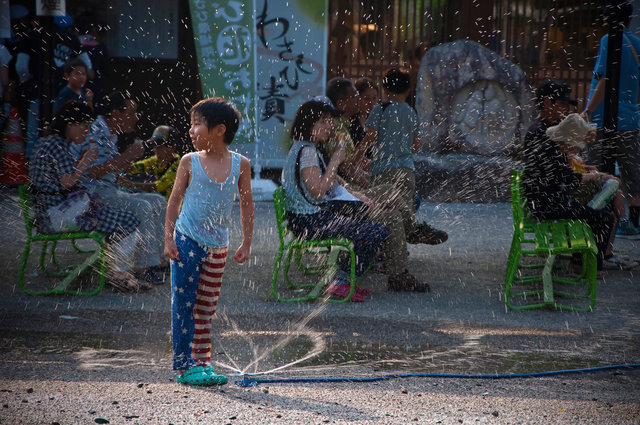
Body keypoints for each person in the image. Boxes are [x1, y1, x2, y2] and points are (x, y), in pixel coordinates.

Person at [164, 97, 254, 386]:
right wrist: (168, 239)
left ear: (219, 130)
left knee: (205, 308)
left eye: (197, 124)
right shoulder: (189, 162)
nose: (191, 130)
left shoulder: (241, 164)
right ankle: (183, 364)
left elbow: (247, 205)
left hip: (218, 246)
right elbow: (174, 200)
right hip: (187, 240)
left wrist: (247, 242)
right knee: (184, 303)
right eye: (192, 124)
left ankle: (201, 363)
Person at [28, 101, 147, 292]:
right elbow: (68, 181)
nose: (85, 133)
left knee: (118, 219)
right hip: (57, 216)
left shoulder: (50, 142)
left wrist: (81, 162)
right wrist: (86, 162)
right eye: (83, 127)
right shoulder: (56, 144)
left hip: (50, 213)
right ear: (70, 124)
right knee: (128, 221)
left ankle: (115, 270)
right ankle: (119, 275)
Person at [70, 91, 168, 284]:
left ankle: (158, 259)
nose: (136, 117)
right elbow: (90, 172)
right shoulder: (96, 131)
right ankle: (142, 268)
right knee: (142, 207)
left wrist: (122, 165)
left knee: (158, 201)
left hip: (106, 191)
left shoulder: (110, 133)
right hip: (90, 197)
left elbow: (107, 168)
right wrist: (125, 157)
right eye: (131, 113)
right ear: (115, 114)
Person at [523, 84, 615, 273]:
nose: (566, 110)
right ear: (548, 103)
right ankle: (585, 266)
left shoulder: (547, 131)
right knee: (601, 217)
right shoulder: (541, 134)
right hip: (547, 203)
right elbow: (562, 174)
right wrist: (592, 176)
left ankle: (583, 259)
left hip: (547, 198)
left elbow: (561, 168)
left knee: (596, 208)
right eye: (563, 104)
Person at [361, 67, 448, 244]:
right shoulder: (411, 112)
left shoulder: (380, 109)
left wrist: (356, 157)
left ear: (384, 90)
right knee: (404, 210)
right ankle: (411, 238)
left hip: (382, 170)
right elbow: (416, 144)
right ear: (408, 91)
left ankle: (389, 251)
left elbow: (369, 137)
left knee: (385, 212)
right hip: (406, 170)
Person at [582, 1, 640, 235]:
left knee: (596, 170)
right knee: (631, 173)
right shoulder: (637, 45)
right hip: (631, 119)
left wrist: (587, 110)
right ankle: (635, 222)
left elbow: (604, 79)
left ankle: (608, 221)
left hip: (605, 118)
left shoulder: (608, 40)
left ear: (609, 21)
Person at [120, 125, 180, 201]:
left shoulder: (179, 165)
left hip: (177, 208)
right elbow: (135, 167)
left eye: (160, 147)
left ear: (173, 148)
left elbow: (158, 186)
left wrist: (130, 185)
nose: (156, 150)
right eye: (155, 146)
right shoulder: (156, 161)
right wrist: (122, 167)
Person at [350, 77, 379, 150]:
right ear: (358, 99)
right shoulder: (351, 121)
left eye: (374, 98)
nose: (371, 103)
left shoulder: (379, 120)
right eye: (366, 98)